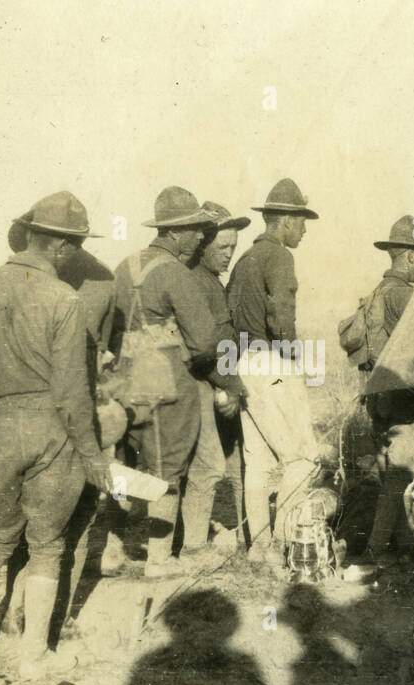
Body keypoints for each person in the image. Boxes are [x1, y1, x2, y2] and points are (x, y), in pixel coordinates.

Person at [0, 191, 112, 680]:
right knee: (47, 546)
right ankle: (33, 657)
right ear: (62, 248)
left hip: (4, 423)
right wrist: (92, 455)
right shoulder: (63, 299)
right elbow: (70, 391)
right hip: (52, 428)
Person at [111, 186, 229, 577]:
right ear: (175, 232)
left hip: (125, 381)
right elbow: (204, 342)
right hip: (168, 383)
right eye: (195, 229)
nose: (200, 237)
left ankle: (111, 550)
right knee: (168, 467)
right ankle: (159, 560)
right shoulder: (177, 275)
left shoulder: (123, 267)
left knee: (126, 465)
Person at [225, 178, 320, 565]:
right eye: (300, 221)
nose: (304, 229)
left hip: (243, 363)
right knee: (303, 458)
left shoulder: (244, 260)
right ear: (284, 221)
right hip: (272, 363)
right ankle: (290, 542)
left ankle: (259, 547)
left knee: (259, 461)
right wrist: (292, 360)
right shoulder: (280, 257)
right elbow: (281, 316)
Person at [362, 215, 414, 562]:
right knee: (401, 477)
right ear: (408, 257)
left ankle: (405, 547)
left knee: (394, 474)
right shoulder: (405, 296)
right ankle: (377, 550)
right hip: (404, 399)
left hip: (379, 397)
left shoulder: (379, 292)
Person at [180, 201, 249, 554]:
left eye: (232, 249)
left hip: (208, 382)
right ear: (203, 244)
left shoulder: (202, 280)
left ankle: (236, 534)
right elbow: (213, 345)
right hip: (204, 384)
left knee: (226, 457)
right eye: (222, 248)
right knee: (209, 466)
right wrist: (231, 387)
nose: (227, 256)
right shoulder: (200, 284)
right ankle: (193, 547)